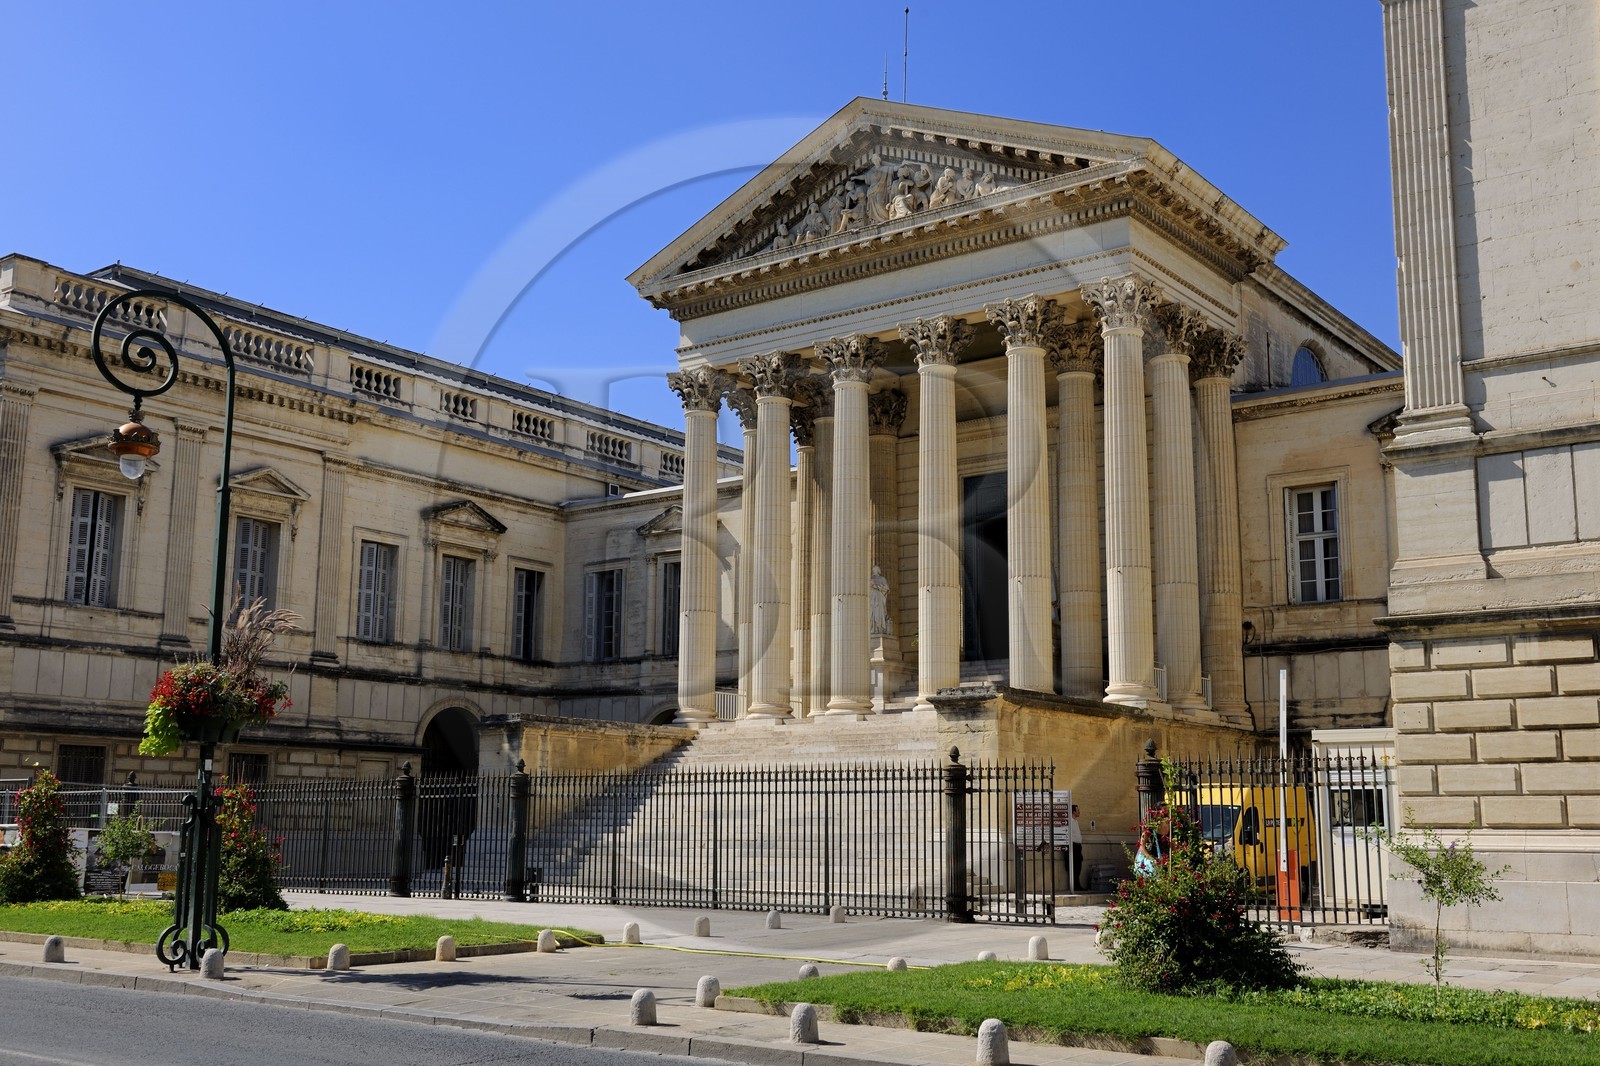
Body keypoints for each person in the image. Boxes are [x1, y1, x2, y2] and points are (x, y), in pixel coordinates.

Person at [1069, 804, 1086, 891]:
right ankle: (1075, 885)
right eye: (1077, 810)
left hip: (1078, 846)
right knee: (1074, 866)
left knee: (1078, 865)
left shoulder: (1075, 821)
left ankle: (1077, 884)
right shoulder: (1070, 822)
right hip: (1073, 846)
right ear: (1073, 812)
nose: (1079, 812)